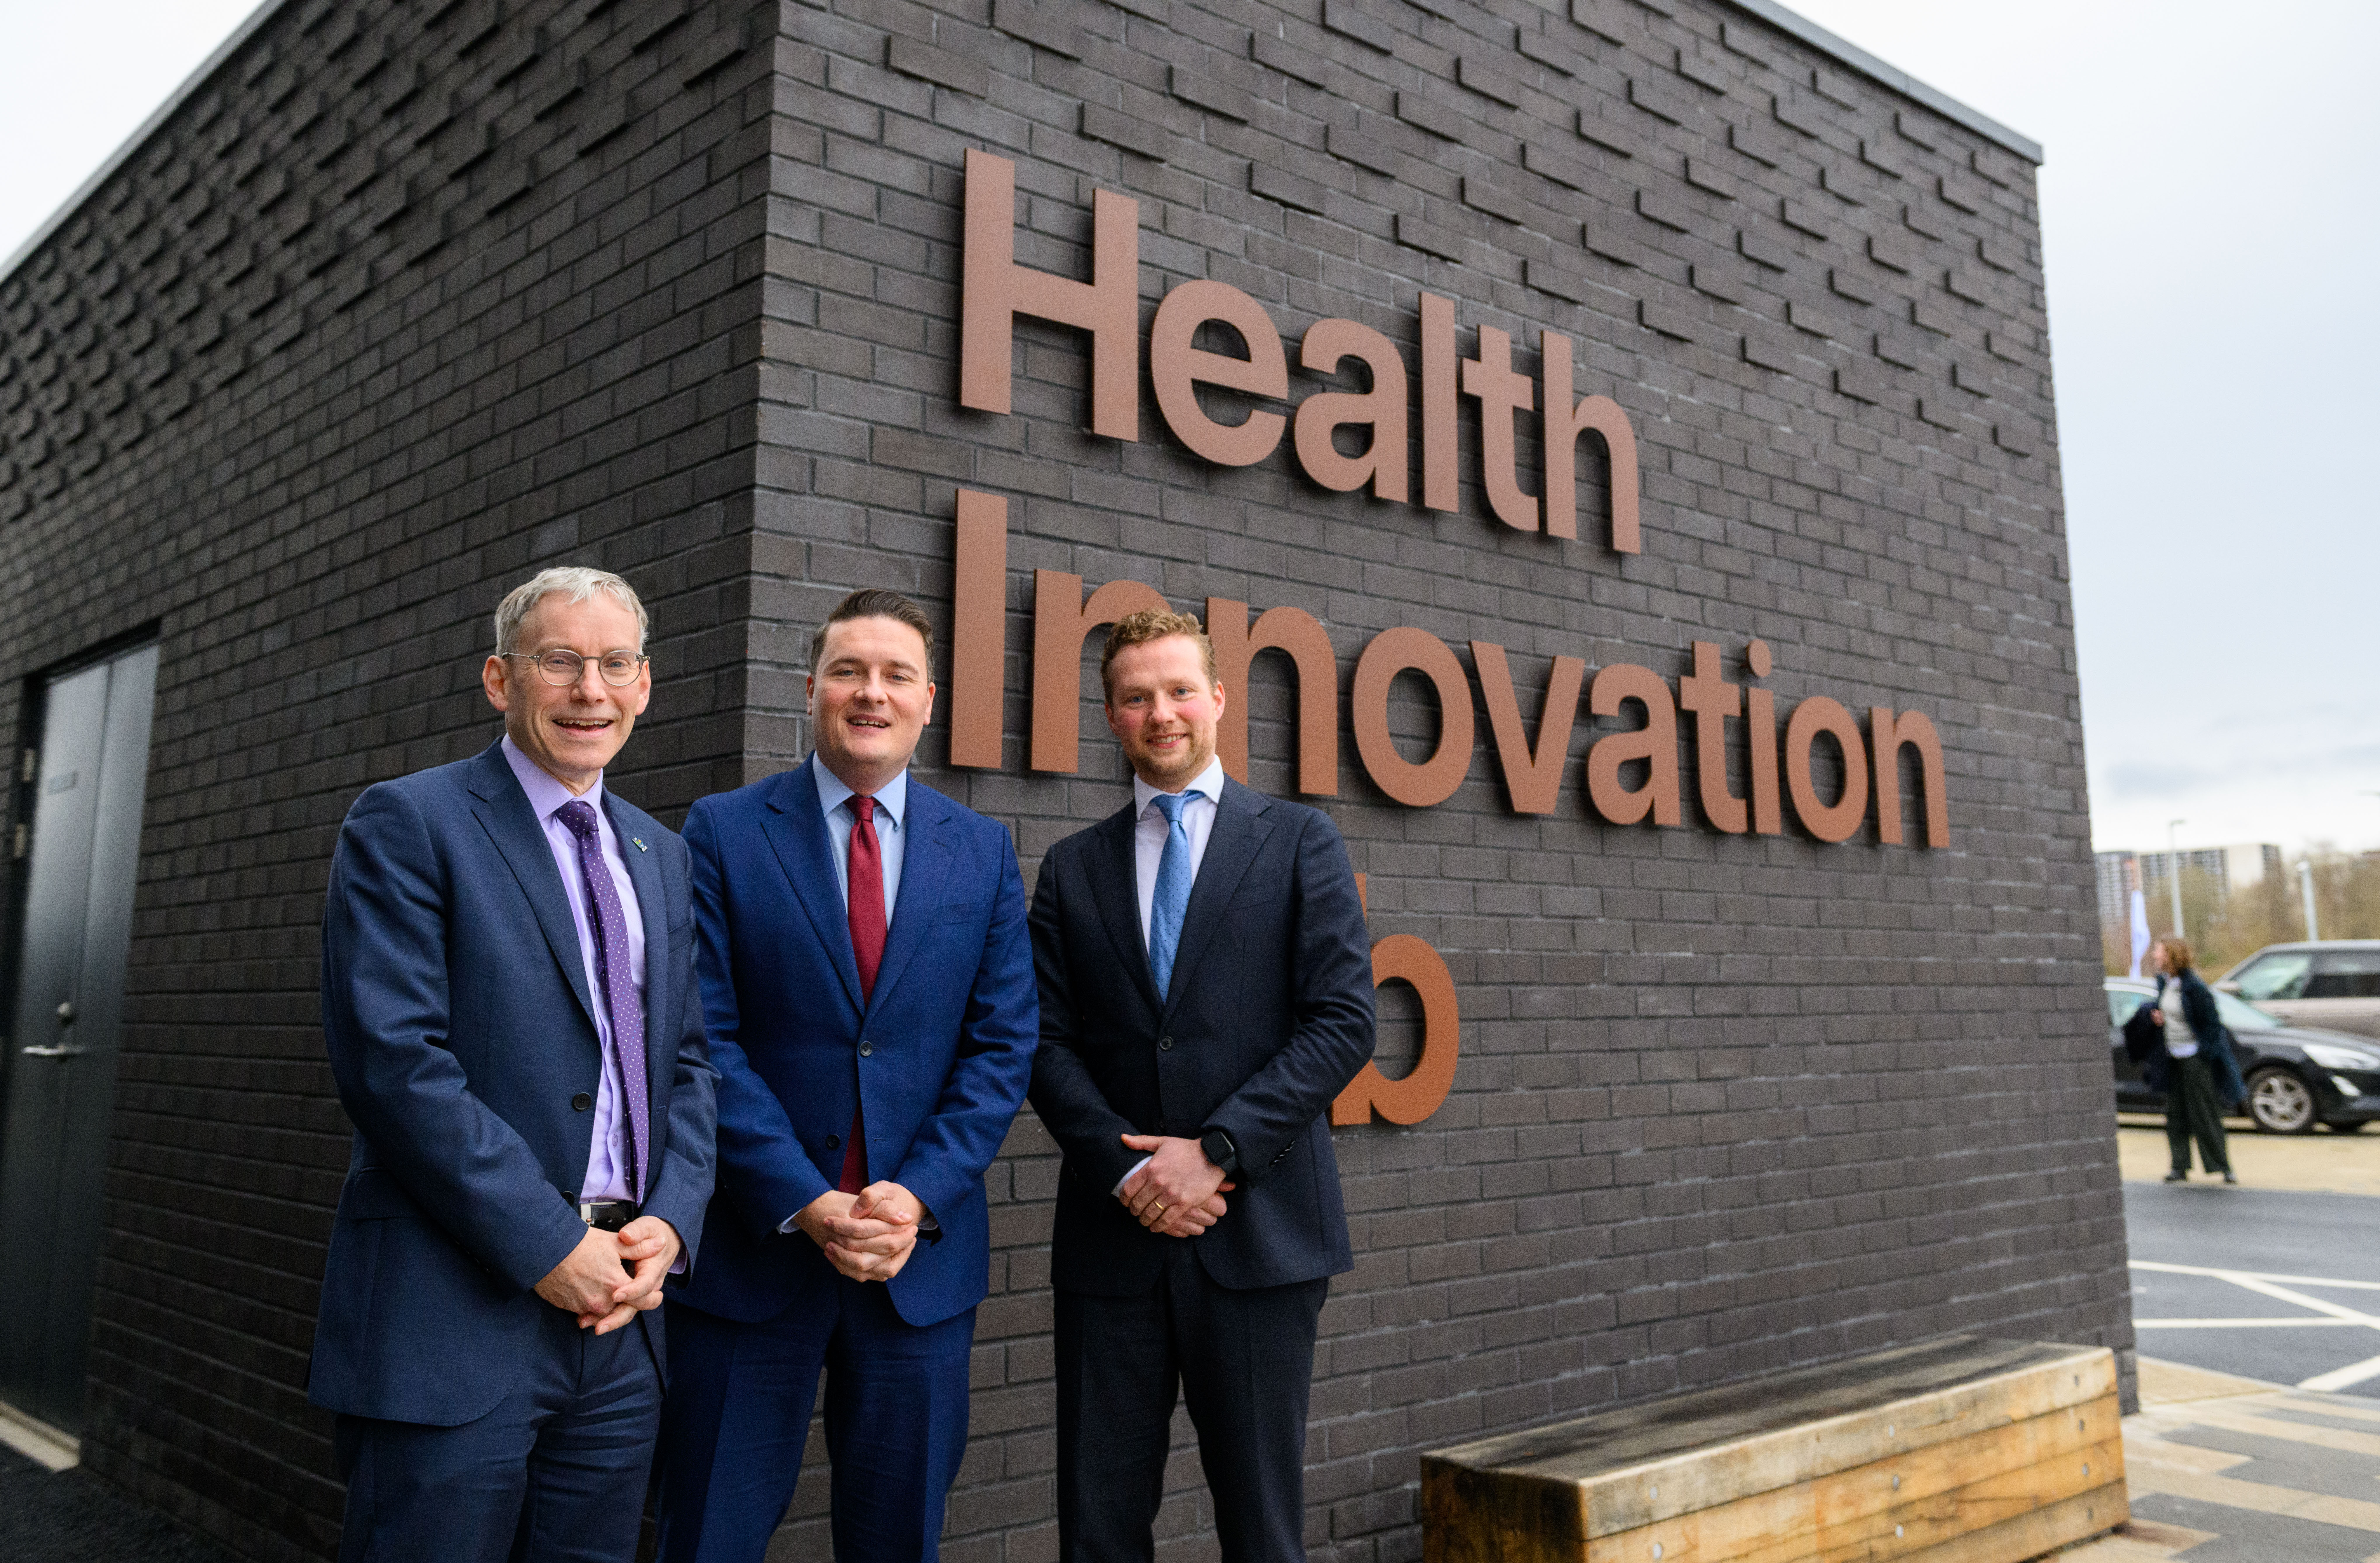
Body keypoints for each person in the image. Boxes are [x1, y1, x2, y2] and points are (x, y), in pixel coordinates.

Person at [310, 567, 718, 1563]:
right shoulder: (409, 823)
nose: (591, 689)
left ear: (645, 685)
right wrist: (547, 1244)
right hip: (453, 1320)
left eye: (615, 663)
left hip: (622, 1323)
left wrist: (671, 1217)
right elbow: (395, 1065)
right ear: (501, 680)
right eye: (561, 661)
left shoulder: (658, 855)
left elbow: (693, 1064)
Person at [653, 588, 1038, 1563]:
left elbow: (1000, 1047)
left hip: (919, 1265)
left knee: (897, 1541)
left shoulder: (982, 850)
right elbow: (704, 1037)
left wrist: (915, 1195)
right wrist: (806, 1200)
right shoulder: (724, 831)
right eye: (849, 671)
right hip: (754, 1256)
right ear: (813, 687)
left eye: (896, 674)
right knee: (708, 1534)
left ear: (928, 699)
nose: (872, 692)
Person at [1028, 607, 1377, 1563]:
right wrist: (1130, 1170)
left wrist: (1217, 1154)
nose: (1162, 713)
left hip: (1261, 1242)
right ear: (1110, 714)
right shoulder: (1070, 870)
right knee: (1099, 1534)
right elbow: (1045, 1044)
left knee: (1262, 1532)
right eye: (1137, 696)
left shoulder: (1299, 840)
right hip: (1114, 1241)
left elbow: (1344, 1022)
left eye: (1180, 689)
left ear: (1218, 698)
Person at [2148, 936, 2240, 1184]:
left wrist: (2204, 1053)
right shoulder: (2164, 984)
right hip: (2173, 1059)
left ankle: (2222, 1167)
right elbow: (2173, 1015)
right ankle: (2179, 1167)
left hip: (2195, 1059)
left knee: (2205, 1113)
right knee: (2175, 1114)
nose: (2155, 956)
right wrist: (2160, 1019)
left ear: (2171, 956)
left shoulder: (2194, 987)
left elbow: (2212, 1025)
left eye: (2159, 951)